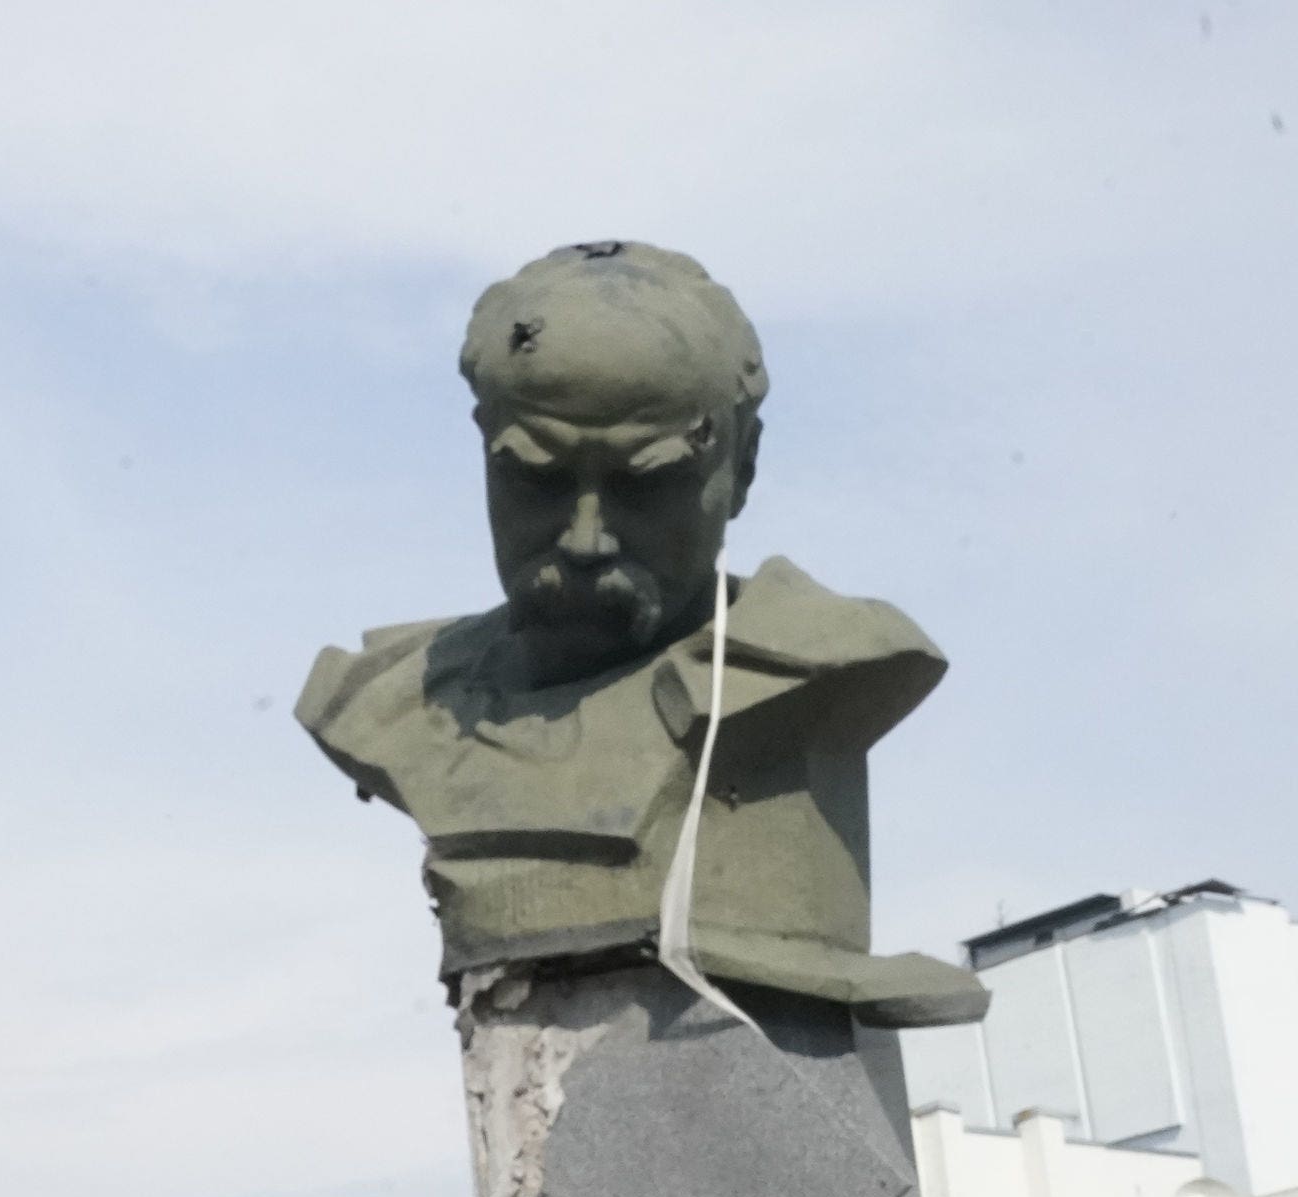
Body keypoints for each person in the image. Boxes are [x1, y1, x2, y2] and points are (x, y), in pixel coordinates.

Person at [293, 238, 980, 1026]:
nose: (586, 539)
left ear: (742, 468)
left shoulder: (820, 666)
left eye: (644, 484)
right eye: (536, 478)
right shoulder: (384, 702)